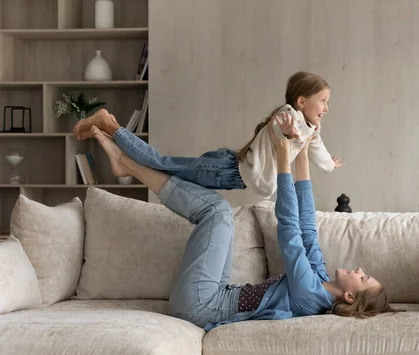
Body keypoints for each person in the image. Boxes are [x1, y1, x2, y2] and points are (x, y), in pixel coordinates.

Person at [88, 120, 391, 331]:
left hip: (199, 305)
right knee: (218, 214)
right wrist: (303, 150)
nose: (360, 271)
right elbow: (307, 227)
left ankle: (129, 163)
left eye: (363, 278)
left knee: (217, 211)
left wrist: (284, 154)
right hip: (216, 292)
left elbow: (289, 231)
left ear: (349, 297)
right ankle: (127, 164)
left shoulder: (310, 295)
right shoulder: (321, 278)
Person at [73, 71, 344, 198]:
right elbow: (279, 128)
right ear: (300, 101)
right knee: (164, 165)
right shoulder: (288, 116)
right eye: (322, 101)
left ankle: (124, 162)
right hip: (228, 171)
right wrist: (288, 133)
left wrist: (330, 165)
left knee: (172, 177)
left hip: (230, 170)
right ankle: (110, 125)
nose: (326, 108)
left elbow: (317, 150)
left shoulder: (311, 130)